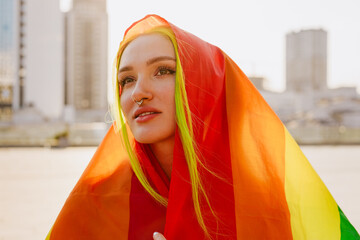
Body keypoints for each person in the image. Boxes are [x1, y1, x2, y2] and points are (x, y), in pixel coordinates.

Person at [46, 15, 359, 240]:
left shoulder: (269, 206)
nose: (138, 92)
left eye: (163, 71)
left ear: (204, 85)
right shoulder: (95, 201)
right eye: (126, 80)